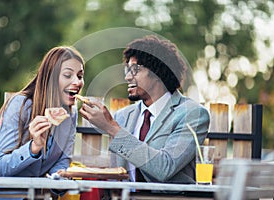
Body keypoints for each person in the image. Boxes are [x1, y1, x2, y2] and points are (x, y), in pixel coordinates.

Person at [79, 35, 210, 183]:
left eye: (135, 70)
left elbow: (165, 168)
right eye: (127, 70)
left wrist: (112, 128)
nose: (128, 77)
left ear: (157, 72)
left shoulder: (192, 114)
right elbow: (118, 174)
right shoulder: (123, 116)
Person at [0, 46, 85, 178]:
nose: (77, 82)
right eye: (67, 75)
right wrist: (33, 147)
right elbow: (0, 167)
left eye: (80, 76)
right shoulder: (21, 105)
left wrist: (60, 179)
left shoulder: (71, 113)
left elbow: (63, 160)